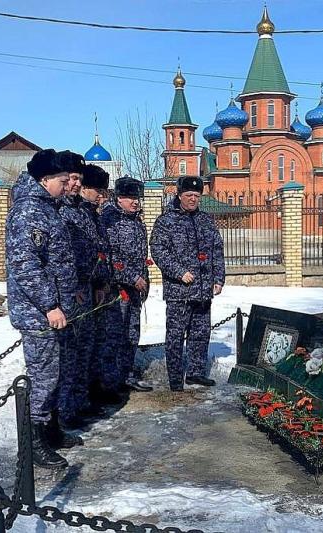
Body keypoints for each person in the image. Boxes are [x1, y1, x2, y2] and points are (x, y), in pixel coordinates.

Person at [5, 149, 78, 468]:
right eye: (63, 181)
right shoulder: (28, 211)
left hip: (55, 309)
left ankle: (50, 431)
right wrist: (50, 305)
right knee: (44, 376)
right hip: (38, 313)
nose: (67, 186)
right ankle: (33, 443)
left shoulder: (48, 207)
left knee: (56, 373)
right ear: (44, 180)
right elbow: (25, 264)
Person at [58, 159, 118, 428]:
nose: (101, 196)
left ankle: (82, 402)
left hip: (91, 291)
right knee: (72, 357)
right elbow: (65, 258)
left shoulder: (87, 213)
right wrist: (77, 288)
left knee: (87, 351)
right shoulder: (62, 212)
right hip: (73, 294)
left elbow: (97, 252)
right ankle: (66, 412)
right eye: (98, 191)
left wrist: (102, 282)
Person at [150, 176, 225, 391]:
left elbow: (217, 250)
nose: (193, 199)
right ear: (179, 195)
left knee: (200, 334)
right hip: (179, 291)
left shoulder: (206, 220)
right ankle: (175, 378)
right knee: (175, 336)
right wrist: (179, 272)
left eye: (197, 195)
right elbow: (158, 251)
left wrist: (218, 278)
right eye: (188, 195)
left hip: (203, 290)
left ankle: (196, 373)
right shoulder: (166, 221)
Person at [101, 176, 153, 392]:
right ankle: (111, 384)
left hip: (135, 291)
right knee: (115, 337)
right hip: (117, 290)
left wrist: (144, 280)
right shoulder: (110, 221)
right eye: (130, 197)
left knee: (132, 334)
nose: (135, 202)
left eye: (137, 198)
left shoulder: (136, 221)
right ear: (119, 198)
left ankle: (127, 375)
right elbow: (111, 258)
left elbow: (140, 256)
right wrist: (133, 278)